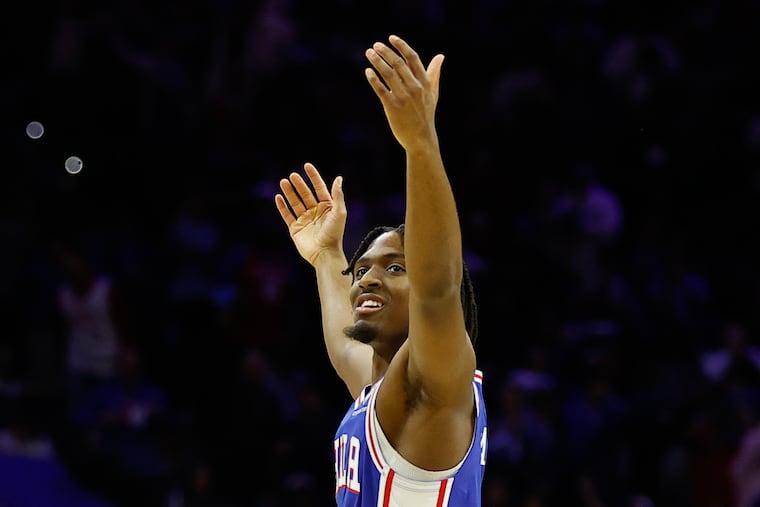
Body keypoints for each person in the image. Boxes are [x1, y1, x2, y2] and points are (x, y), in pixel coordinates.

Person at [274, 34, 487, 506]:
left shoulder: (437, 382)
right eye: (362, 267)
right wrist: (328, 256)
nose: (367, 278)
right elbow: (342, 343)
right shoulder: (380, 388)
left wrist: (420, 146)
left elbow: (438, 289)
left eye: (394, 268)